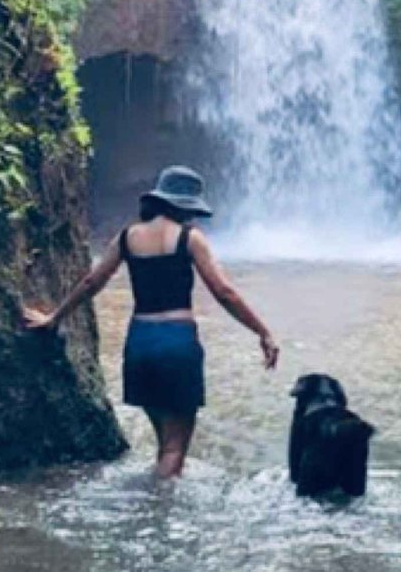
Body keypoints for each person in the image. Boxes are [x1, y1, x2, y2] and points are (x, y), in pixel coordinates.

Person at [22, 165, 279, 478]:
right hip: (177, 345)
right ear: (186, 206)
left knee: (164, 442)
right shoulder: (190, 239)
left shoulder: (127, 237)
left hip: (140, 345)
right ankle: (159, 517)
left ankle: (156, 498)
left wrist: (54, 318)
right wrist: (262, 331)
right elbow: (224, 292)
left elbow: (92, 282)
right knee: (175, 449)